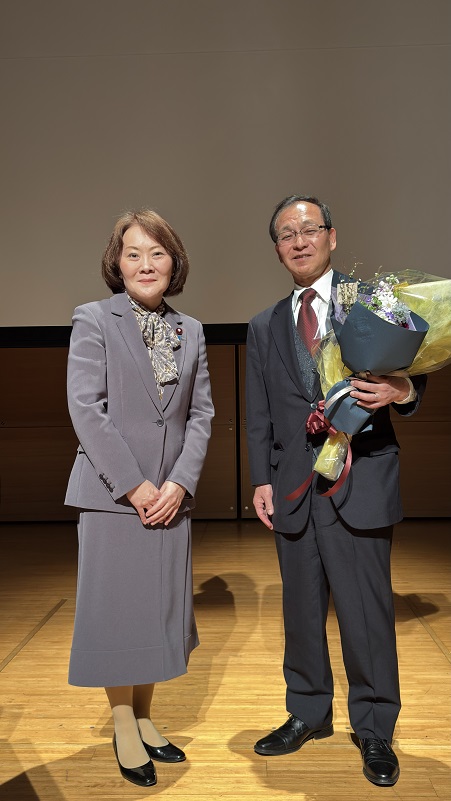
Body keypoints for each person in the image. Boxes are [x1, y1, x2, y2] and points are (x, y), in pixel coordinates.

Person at [245, 195, 426, 787]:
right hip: (294, 487)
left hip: (361, 479)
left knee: (366, 612)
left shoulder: (372, 303)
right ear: (277, 249)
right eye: (286, 234)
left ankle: (374, 727)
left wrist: (401, 391)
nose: (299, 240)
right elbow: (258, 414)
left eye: (309, 229)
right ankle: (308, 711)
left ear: (332, 236)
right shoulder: (264, 325)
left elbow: (413, 380)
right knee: (300, 609)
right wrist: (260, 480)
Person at [65, 209, 214, 788]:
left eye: (157, 253)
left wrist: (180, 482)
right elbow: (86, 409)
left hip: (171, 497)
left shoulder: (191, 330)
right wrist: (135, 484)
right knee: (116, 614)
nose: (146, 264)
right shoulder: (93, 319)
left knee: (155, 611)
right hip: (114, 495)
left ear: (173, 262)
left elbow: (200, 415)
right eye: (133, 253)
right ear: (117, 263)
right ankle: (123, 724)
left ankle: (147, 716)